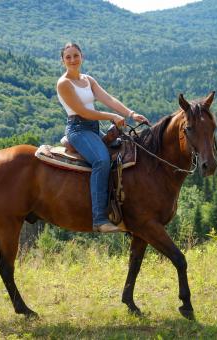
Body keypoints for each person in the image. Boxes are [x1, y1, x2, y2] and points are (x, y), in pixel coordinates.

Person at [56, 42, 149, 233]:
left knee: (122, 149)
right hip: (78, 129)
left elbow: (108, 99)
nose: (73, 60)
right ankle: (99, 218)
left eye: (76, 55)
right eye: (68, 57)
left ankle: (122, 208)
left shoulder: (88, 80)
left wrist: (131, 113)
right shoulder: (64, 83)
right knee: (101, 160)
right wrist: (112, 117)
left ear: (82, 56)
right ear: (63, 60)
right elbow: (82, 111)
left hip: (92, 128)